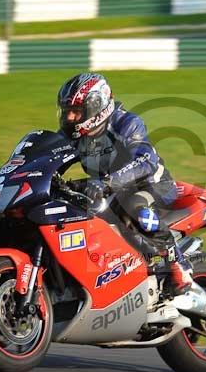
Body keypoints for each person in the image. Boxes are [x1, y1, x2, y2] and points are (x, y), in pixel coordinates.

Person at [56, 72, 193, 296]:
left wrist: (109, 182)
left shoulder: (126, 123)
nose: (70, 117)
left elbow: (145, 160)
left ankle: (179, 266)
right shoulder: (74, 135)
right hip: (108, 190)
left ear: (96, 107)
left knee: (135, 207)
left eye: (76, 111)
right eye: (66, 111)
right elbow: (52, 156)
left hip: (152, 184)